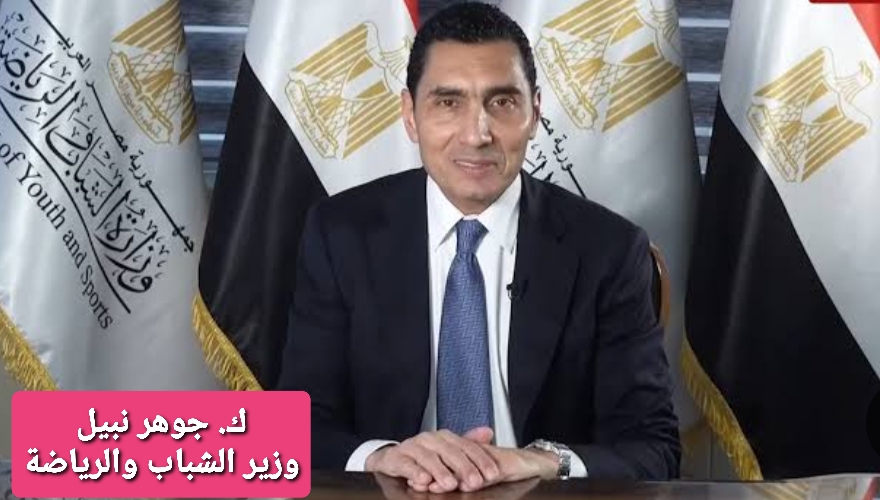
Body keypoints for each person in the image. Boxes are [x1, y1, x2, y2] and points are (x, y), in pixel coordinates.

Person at [276, 2, 680, 493]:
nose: (477, 134)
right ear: (409, 115)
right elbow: (298, 426)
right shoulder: (340, 234)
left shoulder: (609, 251)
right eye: (448, 102)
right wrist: (383, 456)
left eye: (502, 102)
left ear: (535, 113)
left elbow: (653, 450)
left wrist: (542, 461)